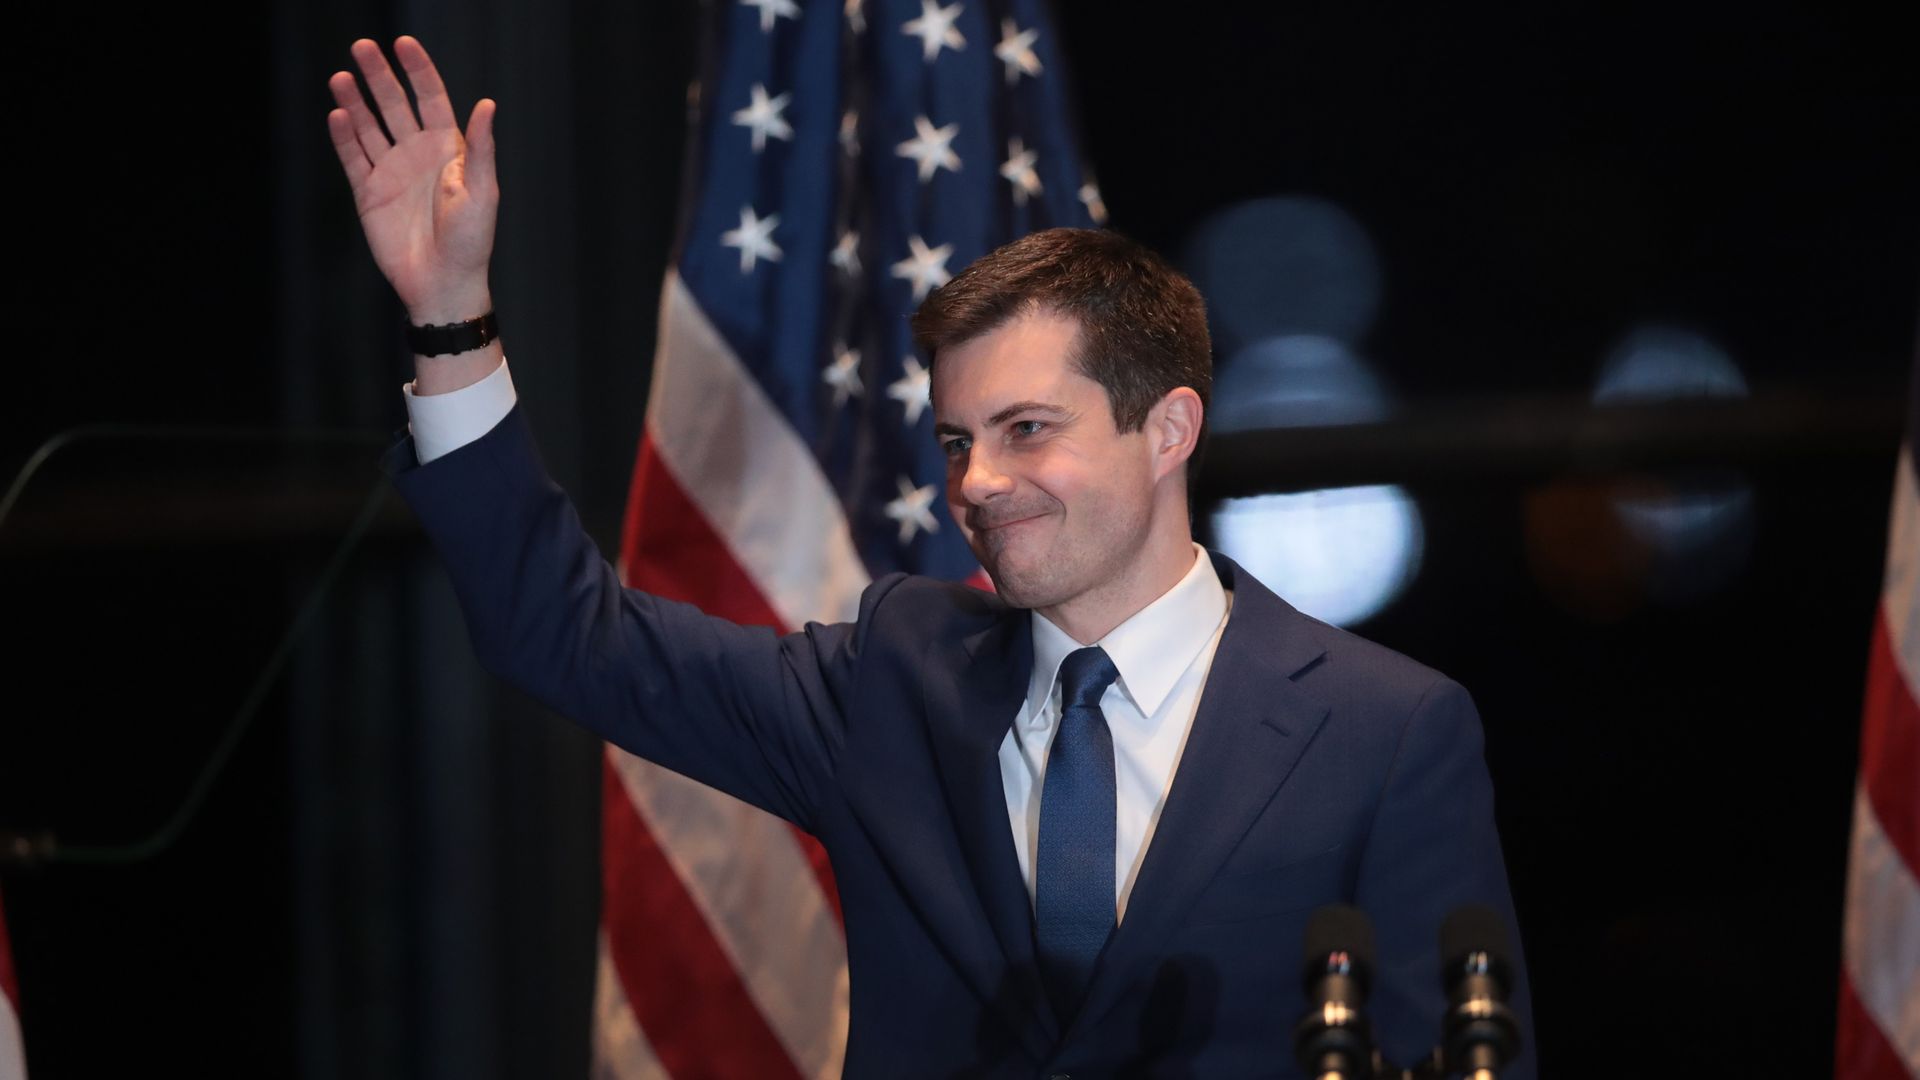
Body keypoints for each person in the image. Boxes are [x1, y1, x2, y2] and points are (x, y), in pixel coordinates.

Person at [329, 36, 1536, 1079]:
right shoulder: (888, 686)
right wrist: (450, 316)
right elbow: (564, 632)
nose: (977, 484)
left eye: (1027, 432)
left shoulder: (1388, 733)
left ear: (1169, 429)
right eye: (958, 441)